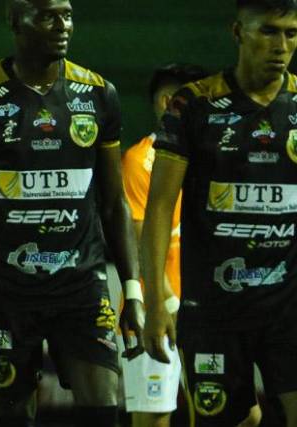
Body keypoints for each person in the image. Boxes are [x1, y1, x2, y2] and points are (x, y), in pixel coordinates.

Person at [0, 1, 143, 426]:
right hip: (6, 290)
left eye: (68, 14)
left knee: (103, 409)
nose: (63, 25)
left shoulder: (97, 94)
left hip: (81, 286)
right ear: (16, 21)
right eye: (48, 15)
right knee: (13, 417)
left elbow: (113, 203)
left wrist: (134, 291)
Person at [141, 1, 297, 426]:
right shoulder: (193, 105)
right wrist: (154, 302)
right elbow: (158, 208)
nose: (281, 45)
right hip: (214, 312)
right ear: (237, 33)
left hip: (288, 309)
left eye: (291, 33)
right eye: (268, 31)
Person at [122, 63, 208, 427]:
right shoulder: (140, 161)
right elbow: (141, 238)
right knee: (155, 416)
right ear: (166, 102)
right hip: (155, 309)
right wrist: (169, 302)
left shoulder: (209, 159)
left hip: (205, 306)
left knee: (230, 412)